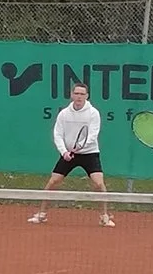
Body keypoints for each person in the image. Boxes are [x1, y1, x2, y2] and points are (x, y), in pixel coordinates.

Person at [27, 78, 113, 226]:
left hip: (90, 153)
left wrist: (78, 147)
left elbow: (92, 135)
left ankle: (104, 216)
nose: (79, 96)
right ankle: (41, 214)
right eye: (76, 93)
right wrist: (64, 152)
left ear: (87, 96)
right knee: (53, 182)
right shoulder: (64, 114)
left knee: (99, 184)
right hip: (68, 154)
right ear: (71, 95)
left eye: (82, 94)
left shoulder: (93, 113)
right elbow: (57, 134)